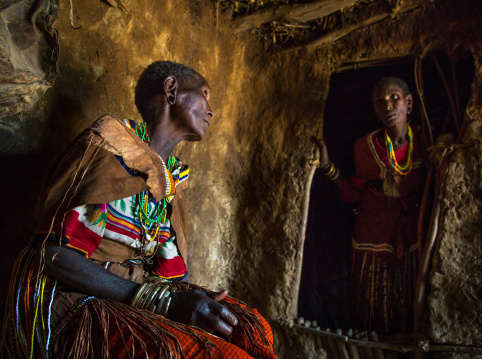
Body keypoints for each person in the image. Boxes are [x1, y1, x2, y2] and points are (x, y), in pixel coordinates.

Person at [1, 61, 276, 359]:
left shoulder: (173, 178)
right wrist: (161, 302)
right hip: (79, 300)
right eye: (204, 94)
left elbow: (165, 274)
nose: (211, 111)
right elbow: (53, 255)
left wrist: (187, 298)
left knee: (252, 328)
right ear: (171, 90)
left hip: (135, 298)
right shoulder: (112, 148)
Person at [314, 77, 426, 335]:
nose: (388, 105)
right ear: (375, 110)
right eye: (380, 102)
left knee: (412, 292)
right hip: (371, 231)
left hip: (412, 231)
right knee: (371, 298)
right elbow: (354, 192)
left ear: (409, 102)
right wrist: (328, 167)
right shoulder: (364, 146)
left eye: (394, 98)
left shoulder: (425, 140)